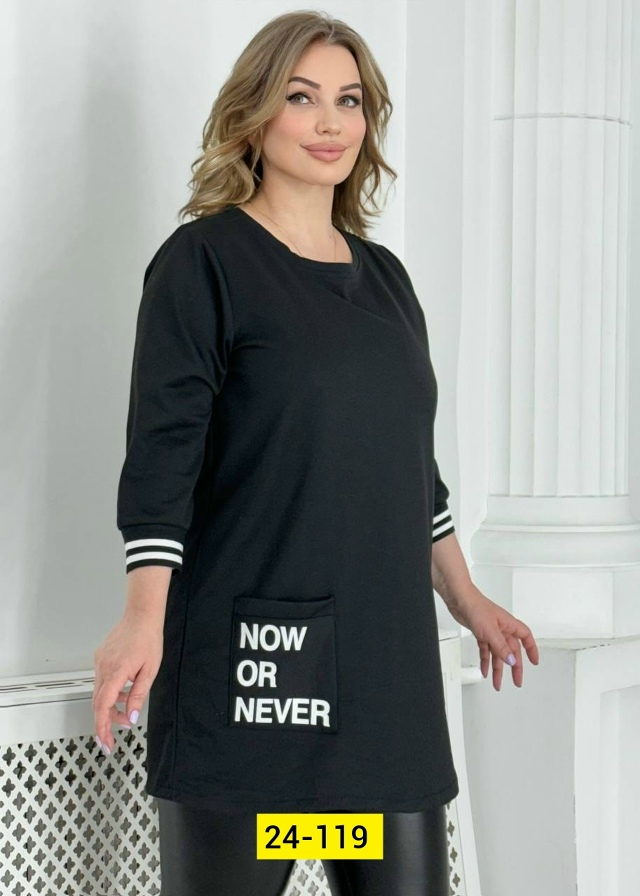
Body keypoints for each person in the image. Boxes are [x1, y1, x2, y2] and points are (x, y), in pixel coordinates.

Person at [92, 10, 539, 895]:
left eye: (350, 100)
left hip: (384, 689)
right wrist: (143, 617)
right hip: (258, 681)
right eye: (302, 98)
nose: (330, 122)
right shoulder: (203, 264)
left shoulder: (388, 281)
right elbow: (163, 456)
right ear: (255, 112)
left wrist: (467, 597)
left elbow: (410, 468)